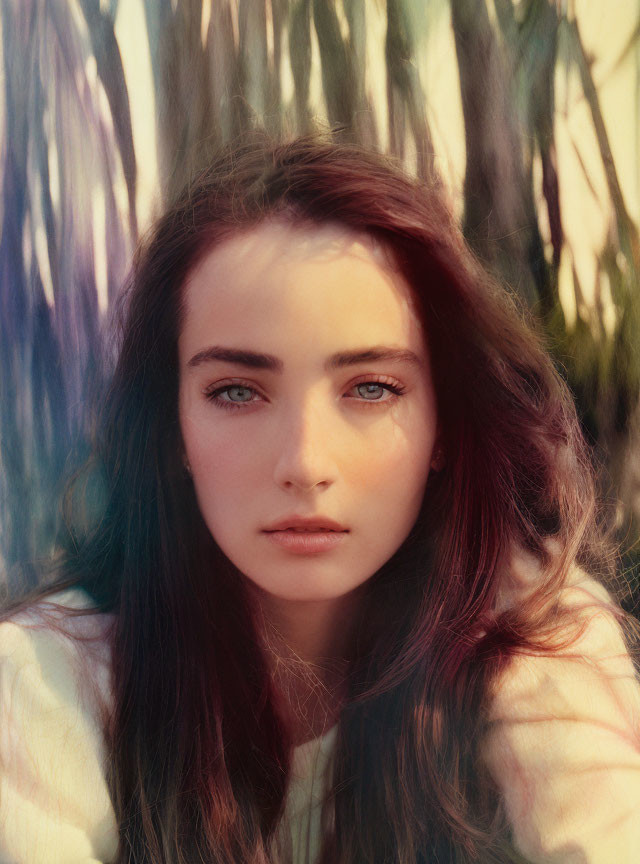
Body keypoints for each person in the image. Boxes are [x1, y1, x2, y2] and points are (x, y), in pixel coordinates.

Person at [1, 131, 639, 864]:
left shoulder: (536, 634)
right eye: (236, 391)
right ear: (171, 427)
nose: (304, 463)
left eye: (371, 388)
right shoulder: (42, 678)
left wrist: (528, 656)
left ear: (444, 424)